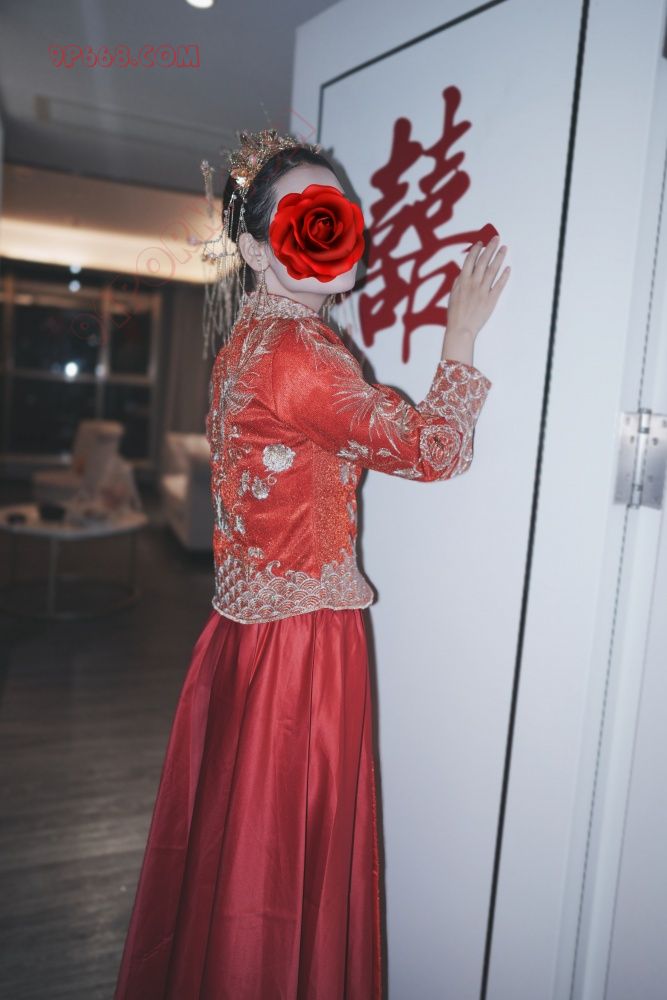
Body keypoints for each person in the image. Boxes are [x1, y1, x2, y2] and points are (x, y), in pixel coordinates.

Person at [114, 128, 509, 1000]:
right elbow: (433, 450)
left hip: (247, 641)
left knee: (244, 850)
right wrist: (459, 335)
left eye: (335, 213)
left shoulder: (250, 345)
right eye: (306, 216)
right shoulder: (300, 356)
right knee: (279, 862)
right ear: (257, 250)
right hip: (301, 649)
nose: (330, 228)